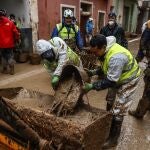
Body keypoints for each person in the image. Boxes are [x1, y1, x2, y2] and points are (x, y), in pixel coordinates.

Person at [82, 34, 141, 148]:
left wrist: (92, 86)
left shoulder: (116, 58)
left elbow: (110, 82)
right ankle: (109, 120)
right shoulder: (104, 48)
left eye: (95, 52)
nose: (94, 55)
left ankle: (113, 138)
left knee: (119, 109)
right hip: (117, 76)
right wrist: (93, 72)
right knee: (110, 98)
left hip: (129, 79)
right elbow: (106, 65)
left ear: (103, 47)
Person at [100, 12, 128, 112]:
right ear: (108, 18)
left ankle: (114, 109)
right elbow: (100, 41)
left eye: (113, 17)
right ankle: (109, 109)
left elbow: (124, 40)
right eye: (110, 17)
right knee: (108, 77)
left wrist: (125, 51)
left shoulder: (119, 29)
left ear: (115, 18)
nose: (111, 18)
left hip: (117, 55)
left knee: (113, 82)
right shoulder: (104, 29)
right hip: (107, 54)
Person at [128, 20, 150, 118]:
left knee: (148, 91)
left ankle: (139, 113)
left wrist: (138, 59)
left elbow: (143, 46)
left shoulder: (148, 27)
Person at [0, 9, 20, 75]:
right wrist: (17, 39)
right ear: (5, 14)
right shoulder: (11, 23)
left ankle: (5, 69)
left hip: (1, 44)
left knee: (3, 56)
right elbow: (16, 33)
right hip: (10, 44)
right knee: (10, 56)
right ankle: (12, 69)